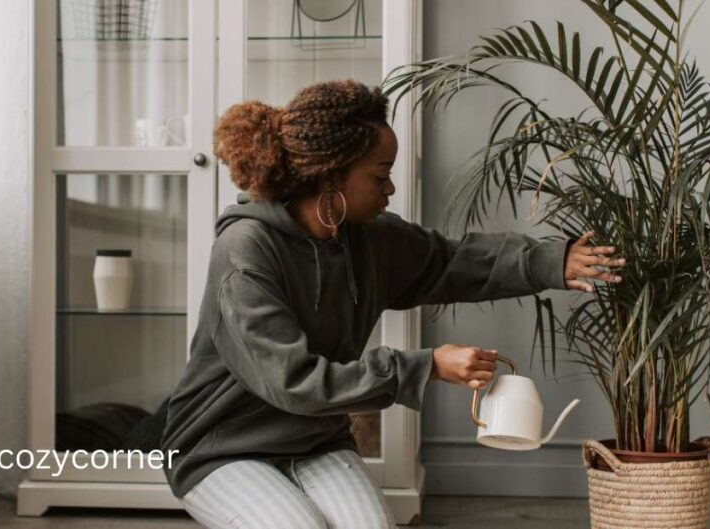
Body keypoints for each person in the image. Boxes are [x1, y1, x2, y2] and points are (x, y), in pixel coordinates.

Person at [160, 78, 625, 529]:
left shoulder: (367, 239)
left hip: (314, 438)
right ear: (330, 175)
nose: (391, 190)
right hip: (221, 445)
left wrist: (552, 261)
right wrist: (427, 366)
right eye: (380, 175)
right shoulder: (245, 251)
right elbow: (293, 382)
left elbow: (452, 259)